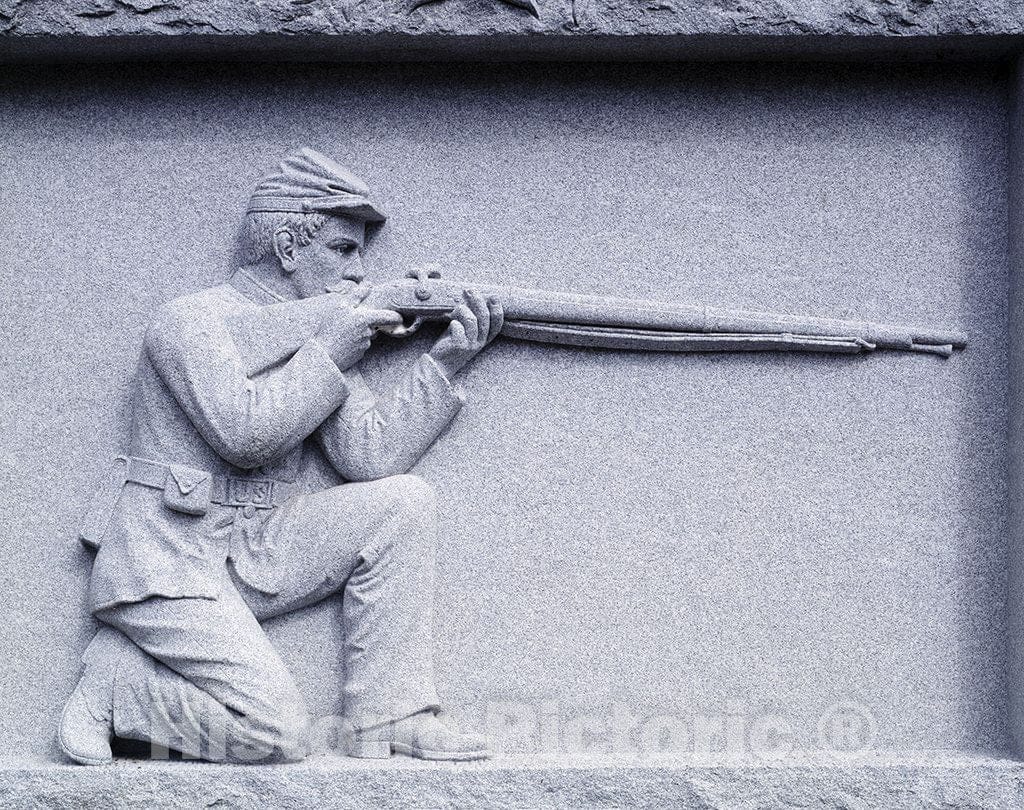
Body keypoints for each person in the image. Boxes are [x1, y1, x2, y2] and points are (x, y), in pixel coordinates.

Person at [58, 147, 502, 764]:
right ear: (290, 247)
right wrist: (331, 352)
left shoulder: (319, 327)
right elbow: (242, 436)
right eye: (344, 250)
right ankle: (120, 686)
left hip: (256, 548)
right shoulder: (190, 322)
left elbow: (369, 458)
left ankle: (388, 715)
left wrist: (443, 363)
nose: (357, 272)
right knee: (279, 735)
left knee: (402, 503)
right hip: (168, 557)